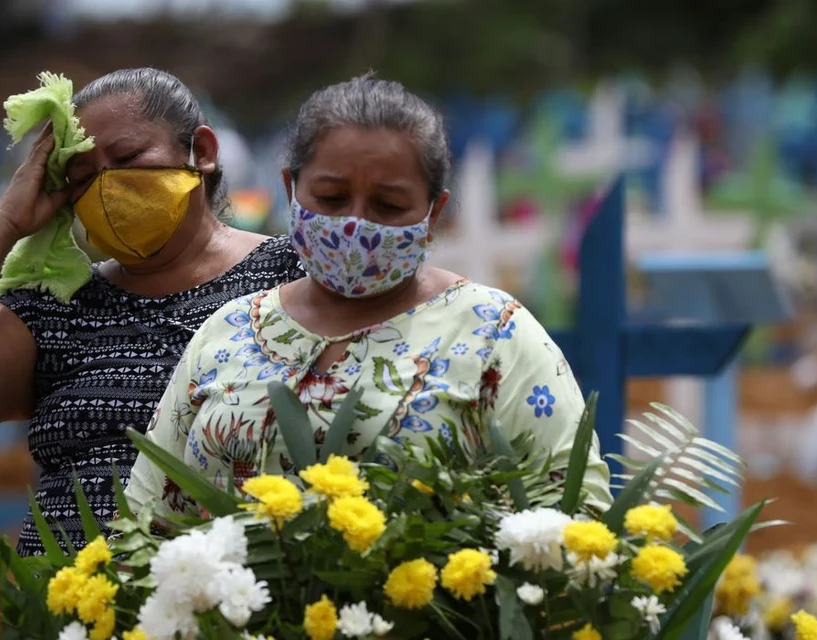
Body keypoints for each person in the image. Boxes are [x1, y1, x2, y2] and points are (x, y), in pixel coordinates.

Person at [125, 74, 611, 520]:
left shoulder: (491, 332)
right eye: (332, 199)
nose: (355, 223)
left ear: (433, 212)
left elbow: (573, 515)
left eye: (389, 205)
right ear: (291, 189)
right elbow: (147, 520)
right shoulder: (228, 332)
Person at [0, 68, 305, 555]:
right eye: (81, 178)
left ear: (201, 152)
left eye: (127, 158)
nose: (106, 186)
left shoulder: (292, 276)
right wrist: (5, 221)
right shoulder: (57, 312)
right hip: (65, 610)